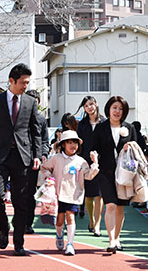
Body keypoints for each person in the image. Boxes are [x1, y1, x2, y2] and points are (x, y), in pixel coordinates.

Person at [0, 63, 42, 256]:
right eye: (23, 82)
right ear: (12, 81)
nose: (25, 86)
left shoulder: (31, 102)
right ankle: (3, 226)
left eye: (27, 83)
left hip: (23, 157)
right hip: (0, 155)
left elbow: (35, 131)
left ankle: (19, 242)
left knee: (21, 200)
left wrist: (37, 155)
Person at [41, 130, 99, 255]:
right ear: (63, 144)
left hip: (74, 194)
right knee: (60, 220)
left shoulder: (81, 161)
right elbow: (44, 167)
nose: (73, 146)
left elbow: (89, 176)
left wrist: (95, 163)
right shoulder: (56, 158)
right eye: (70, 142)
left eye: (75, 143)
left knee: (70, 217)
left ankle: (70, 244)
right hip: (58, 194)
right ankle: (59, 235)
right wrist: (48, 177)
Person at [92, 96, 137, 253]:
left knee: (120, 208)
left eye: (121, 109)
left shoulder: (130, 128)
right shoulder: (100, 128)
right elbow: (94, 147)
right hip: (105, 172)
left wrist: (129, 147)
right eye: (115, 108)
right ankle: (111, 240)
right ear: (108, 109)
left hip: (124, 174)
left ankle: (117, 238)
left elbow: (138, 149)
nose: (117, 111)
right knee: (110, 205)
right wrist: (93, 157)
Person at [76, 96, 106, 236]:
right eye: (87, 105)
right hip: (85, 162)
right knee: (88, 195)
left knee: (99, 195)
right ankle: (92, 220)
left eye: (92, 104)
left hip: (102, 162)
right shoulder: (81, 125)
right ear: (84, 108)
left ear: (96, 104)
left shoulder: (104, 123)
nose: (90, 107)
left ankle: (98, 225)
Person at [24, 90, 49, 235]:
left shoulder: (41, 120)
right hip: (18, 158)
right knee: (18, 192)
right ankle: (19, 219)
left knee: (30, 193)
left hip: (34, 160)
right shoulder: (17, 117)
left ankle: (28, 223)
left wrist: (42, 154)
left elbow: (44, 140)